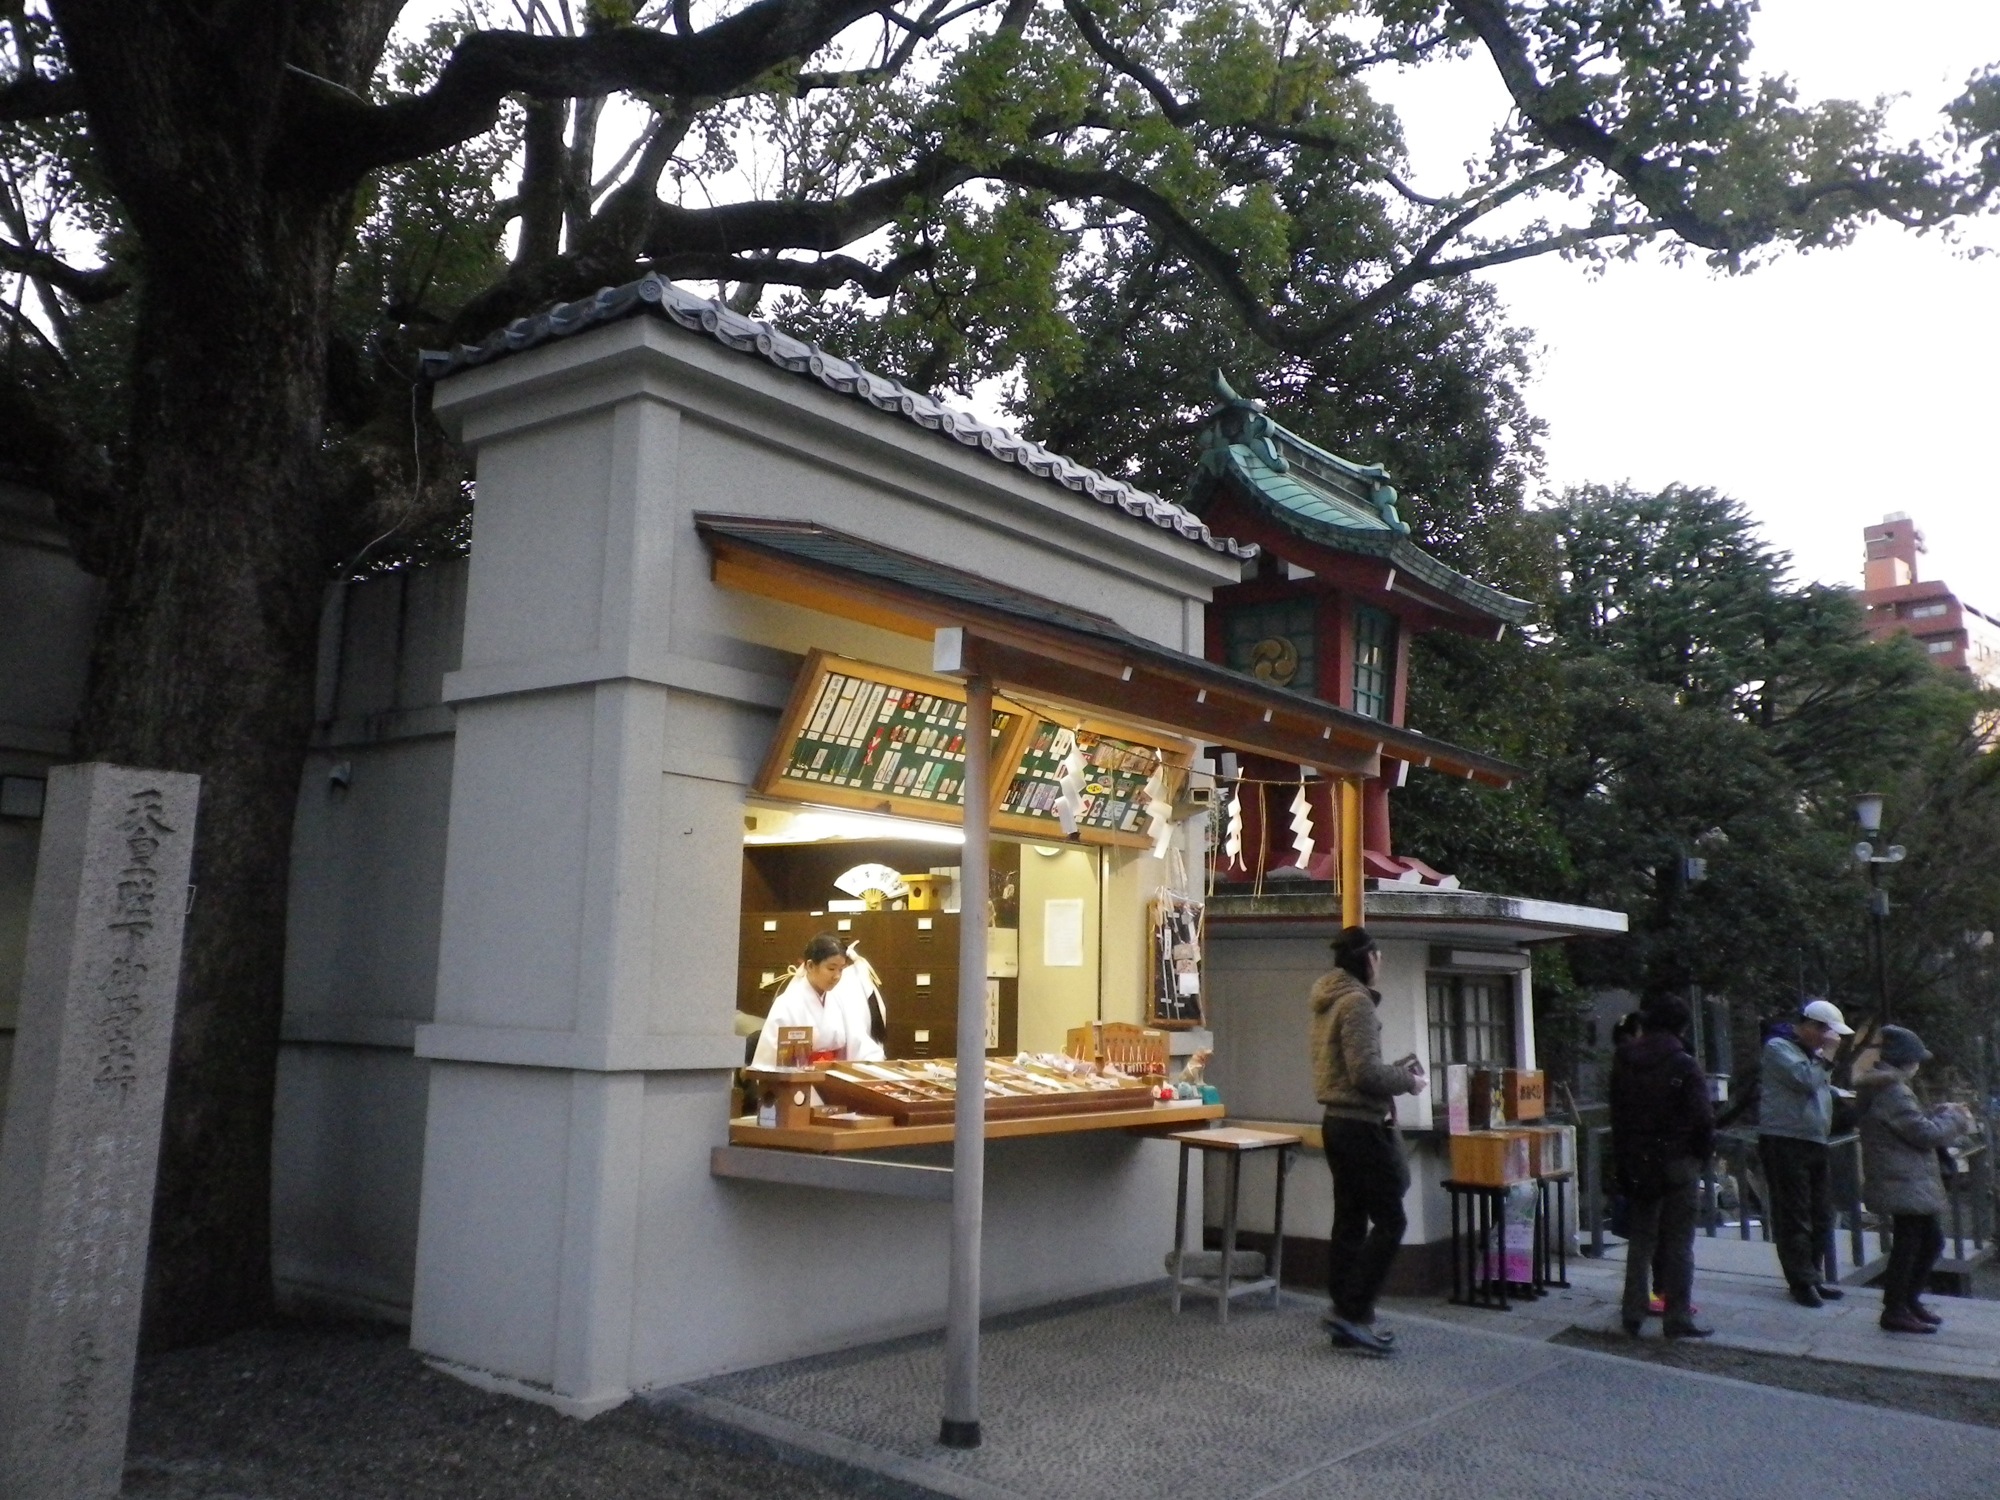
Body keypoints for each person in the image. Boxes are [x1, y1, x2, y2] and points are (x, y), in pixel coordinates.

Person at [1312, 926, 1424, 1356]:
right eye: (1379, 956)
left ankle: (1344, 1314)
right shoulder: (1356, 1002)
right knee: (1391, 1220)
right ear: (1368, 958)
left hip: (1335, 1122)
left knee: (1350, 1220)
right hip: (1360, 1125)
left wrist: (1390, 1073)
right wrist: (1408, 1080)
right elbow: (1365, 1073)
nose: (1381, 964)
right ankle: (1352, 1311)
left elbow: (1348, 1068)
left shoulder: (1328, 1000)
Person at [1856, 1026, 1974, 1335]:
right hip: (1903, 1178)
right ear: (1907, 1060)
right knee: (1912, 1245)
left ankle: (1907, 1301)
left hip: (1903, 1177)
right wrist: (1956, 1118)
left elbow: (1909, 1124)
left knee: (1926, 1241)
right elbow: (1924, 1134)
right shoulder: (1893, 1090)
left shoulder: (1883, 1087)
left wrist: (1938, 1112)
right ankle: (1896, 1308)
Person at [1609, 997, 1714, 1338]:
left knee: (1641, 1238)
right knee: (1679, 1241)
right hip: (1678, 1159)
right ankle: (1676, 1315)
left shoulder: (1625, 1059)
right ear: (1682, 1027)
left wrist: (1622, 1159)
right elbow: (1703, 1118)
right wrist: (1701, 1155)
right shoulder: (1683, 1063)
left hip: (1638, 1158)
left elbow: (1617, 1114)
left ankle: (1632, 1310)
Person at [1757, 997, 1853, 1306]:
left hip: (1814, 1139)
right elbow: (1805, 1081)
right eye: (1825, 1032)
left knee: (1820, 1213)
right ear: (1811, 1026)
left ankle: (1814, 1274)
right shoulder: (1778, 1048)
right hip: (1785, 1139)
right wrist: (1827, 1056)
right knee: (1794, 1214)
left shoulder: (1811, 1056)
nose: (1829, 1040)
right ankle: (1801, 1280)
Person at [751, 933, 889, 1068]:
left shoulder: (839, 1000)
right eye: (831, 968)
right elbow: (771, 1058)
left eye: (841, 970)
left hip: (834, 1076)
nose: (837, 976)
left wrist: (873, 1062)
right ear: (810, 966)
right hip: (800, 1077)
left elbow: (857, 1041)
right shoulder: (787, 1003)